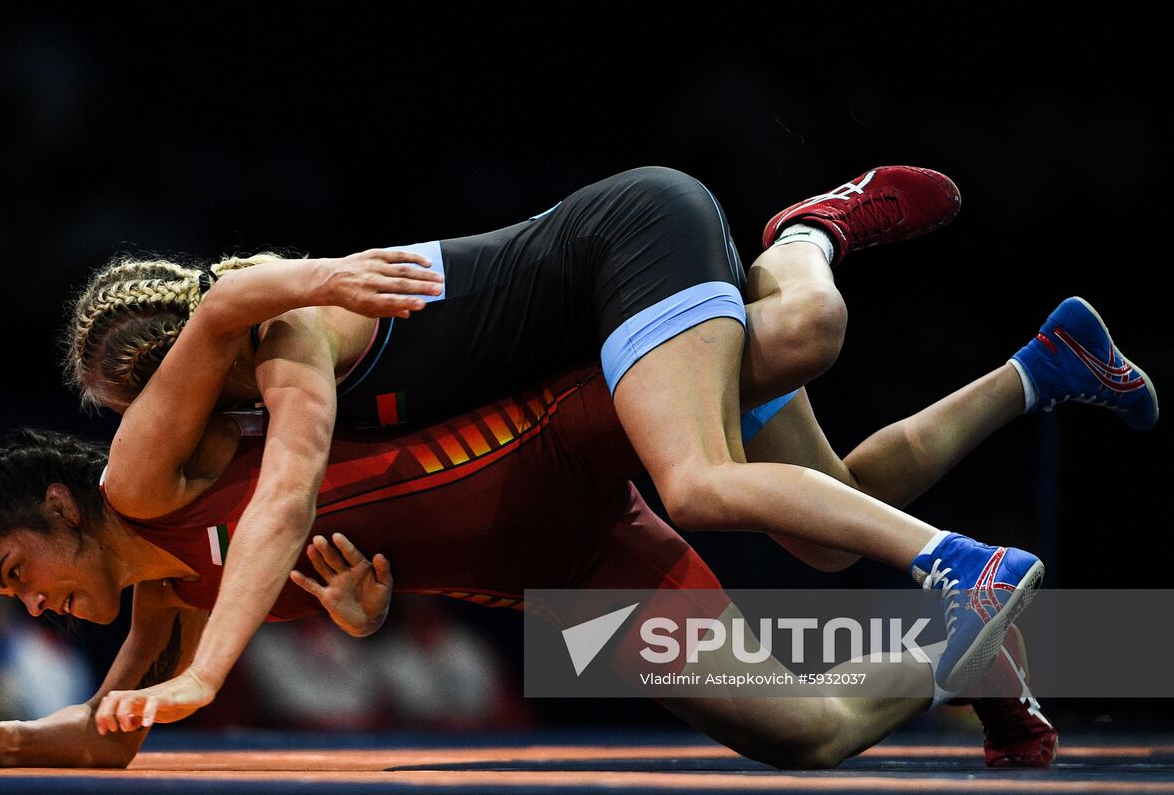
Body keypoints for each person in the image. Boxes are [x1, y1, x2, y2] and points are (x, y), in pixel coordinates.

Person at [63, 166, 1156, 726]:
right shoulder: (229, 416)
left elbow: (288, 498)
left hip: (605, 314)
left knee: (736, 432)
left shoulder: (280, 353)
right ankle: (1041, 368)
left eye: (140, 404)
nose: (143, 434)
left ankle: (815, 239)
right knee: (825, 534)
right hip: (585, 430)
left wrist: (207, 674)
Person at [0, 333, 1099, 771]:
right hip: (567, 570)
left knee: (791, 356)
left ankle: (805, 244)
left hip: (554, 419)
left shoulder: (158, 464)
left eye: (20, 573)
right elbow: (113, 736)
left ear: (67, 507)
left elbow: (227, 330)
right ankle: (969, 641)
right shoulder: (162, 619)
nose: (32, 607)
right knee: (800, 735)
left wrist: (293, 286)